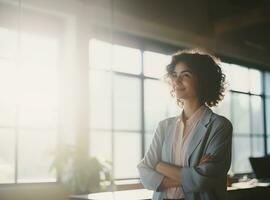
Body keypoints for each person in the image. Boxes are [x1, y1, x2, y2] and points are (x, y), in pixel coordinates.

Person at [137, 49, 233, 200]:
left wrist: (158, 165)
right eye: (175, 75)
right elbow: (144, 171)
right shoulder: (164, 126)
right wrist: (192, 174)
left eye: (185, 75)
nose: (176, 81)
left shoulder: (220, 126)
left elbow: (201, 180)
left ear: (203, 80)